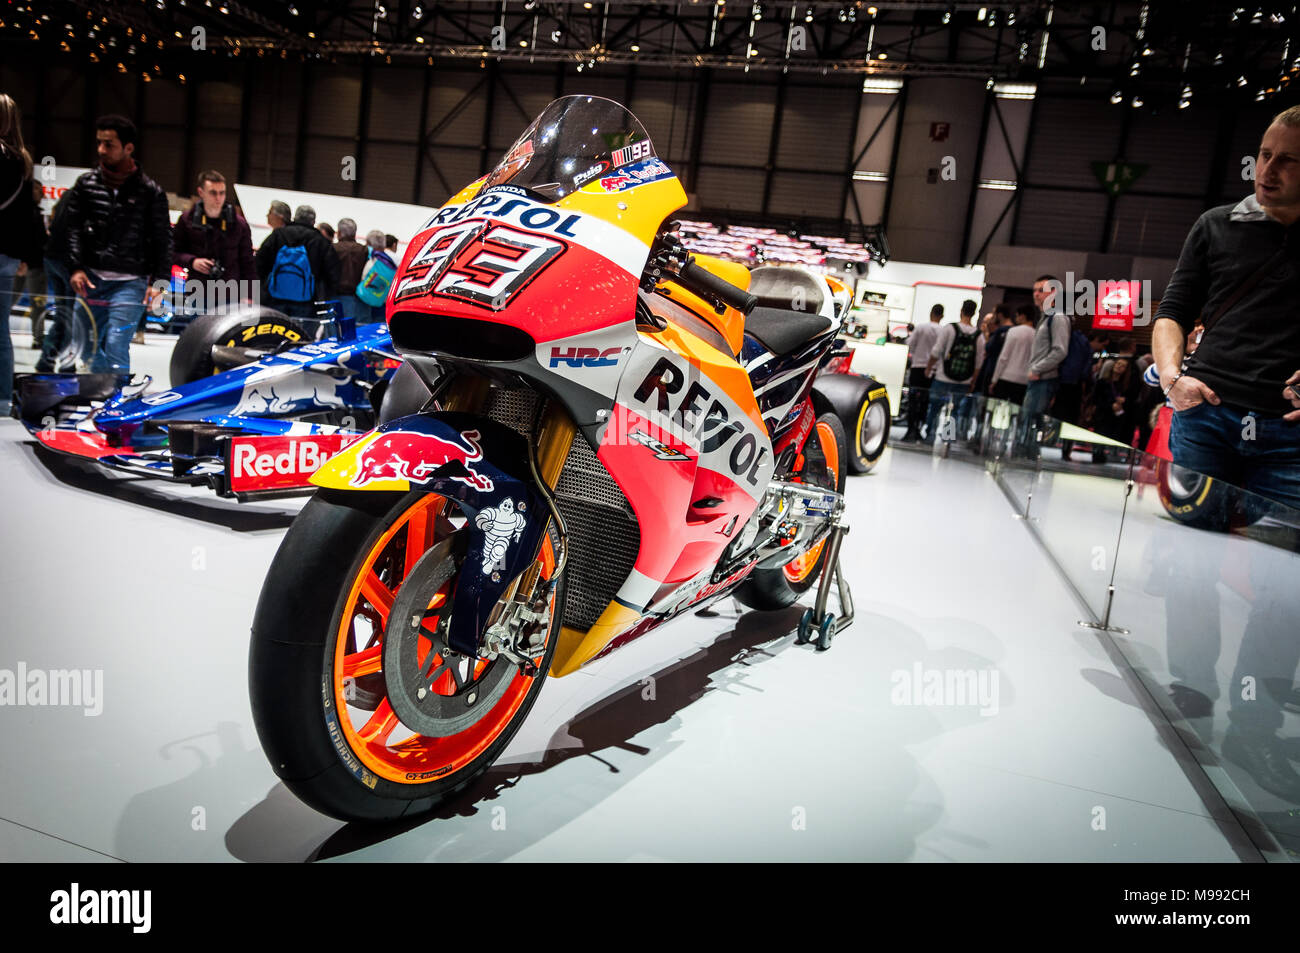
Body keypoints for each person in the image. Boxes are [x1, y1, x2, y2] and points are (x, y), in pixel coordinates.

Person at [1155, 105, 1300, 512]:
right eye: (1265, 154)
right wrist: (1171, 380)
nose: (1267, 170)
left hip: (1289, 435)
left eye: (1287, 160)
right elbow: (1172, 313)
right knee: (1187, 553)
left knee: (1281, 562)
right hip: (1206, 418)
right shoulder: (1216, 225)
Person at [63, 114, 171, 375]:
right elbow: (72, 229)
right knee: (87, 345)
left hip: (130, 283)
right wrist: (75, 268)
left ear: (128, 148)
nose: (101, 150)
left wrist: (160, 282)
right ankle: (94, 400)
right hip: (90, 279)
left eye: (108, 144)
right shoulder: (85, 185)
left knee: (115, 344)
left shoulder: (150, 191)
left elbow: (163, 238)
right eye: (99, 143)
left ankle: (115, 404)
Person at [0, 94, 46, 413]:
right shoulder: (23, 160)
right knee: (1, 331)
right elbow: (27, 218)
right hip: (9, 256)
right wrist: (23, 257)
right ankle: (3, 400)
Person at [171, 170, 256, 310]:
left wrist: (249, 295)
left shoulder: (239, 224)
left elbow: (248, 263)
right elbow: (172, 252)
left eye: (222, 192)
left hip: (230, 296)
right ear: (201, 192)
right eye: (213, 192)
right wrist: (192, 261)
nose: (218, 198)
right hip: (197, 292)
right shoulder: (187, 220)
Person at [255, 203, 339, 320]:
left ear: (295, 217)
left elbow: (260, 262)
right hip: (306, 300)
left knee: (277, 330)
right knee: (302, 334)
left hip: (276, 297)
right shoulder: (320, 241)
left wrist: (264, 286)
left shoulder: (278, 235)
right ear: (313, 222)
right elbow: (332, 273)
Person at [1018, 274, 1072, 456]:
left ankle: (1028, 457)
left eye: (1041, 290)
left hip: (1044, 379)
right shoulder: (1045, 317)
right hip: (1037, 379)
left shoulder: (1057, 318)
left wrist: (1036, 369)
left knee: (1032, 420)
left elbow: (1060, 350)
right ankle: (1025, 455)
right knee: (1029, 420)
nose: (1036, 294)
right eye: (1034, 290)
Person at [924, 298, 985, 444]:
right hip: (964, 380)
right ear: (974, 313)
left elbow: (937, 351)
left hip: (943, 376)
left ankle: (930, 435)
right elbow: (978, 363)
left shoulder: (950, 329)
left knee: (935, 407)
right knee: (955, 410)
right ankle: (948, 438)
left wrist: (929, 368)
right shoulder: (979, 336)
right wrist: (972, 381)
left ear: (961, 310)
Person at [901, 304, 943, 441]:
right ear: (941, 316)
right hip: (933, 371)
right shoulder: (942, 331)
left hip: (918, 367)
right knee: (926, 401)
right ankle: (921, 429)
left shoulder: (921, 328)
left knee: (913, 400)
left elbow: (910, 344)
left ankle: (910, 430)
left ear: (931, 313)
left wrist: (916, 354)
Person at [990, 304, 1037, 406]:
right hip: (1024, 380)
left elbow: (1003, 357)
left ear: (1022, 316)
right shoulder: (1036, 334)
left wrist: (994, 379)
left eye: (1017, 315)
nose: (1016, 318)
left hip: (1006, 377)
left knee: (999, 409)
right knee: (1016, 412)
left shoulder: (1013, 331)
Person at [357, 229, 398, 323]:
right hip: (383, 305)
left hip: (365, 302)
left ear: (368, 243)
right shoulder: (391, 261)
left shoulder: (371, 259)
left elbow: (363, 278)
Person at [333, 218, 369, 322]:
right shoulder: (363, 250)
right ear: (354, 233)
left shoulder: (333, 248)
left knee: (334, 334)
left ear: (339, 232)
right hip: (358, 298)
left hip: (336, 297)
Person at [973, 303, 1013, 396]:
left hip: (992, 370)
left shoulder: (1000, 331)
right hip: (1003, 372)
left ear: (999, 315)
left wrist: (987, 335)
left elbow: (988, 348)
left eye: (994, 314)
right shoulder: (1012, 330)